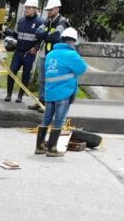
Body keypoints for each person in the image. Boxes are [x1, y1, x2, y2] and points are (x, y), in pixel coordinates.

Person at [35, 27, 86, 157]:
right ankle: (52, 149)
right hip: (64, 92)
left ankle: (39, 147)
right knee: (59, 120)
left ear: (61, 39)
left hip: (50, 92)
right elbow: (82, 69)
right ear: (73, 41)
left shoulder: (51, 54)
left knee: (46, 118)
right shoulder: (71, 55)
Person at [33, 0, 69, 111]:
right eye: (48, 10)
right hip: (44, 53)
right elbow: (38, 33)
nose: (49, 12)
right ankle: (41, 101)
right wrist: (47, 35)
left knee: (51, 80)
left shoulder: (62, 22)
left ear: (57, 9)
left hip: (55, 56)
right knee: (42, 80)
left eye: (51, 10)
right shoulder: (47, 21)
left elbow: (56, 36)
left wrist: (46, 35)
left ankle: (49, 106)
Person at [6, 0, 43, 103]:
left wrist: (35, 48)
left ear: (35, 9)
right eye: (26, 7)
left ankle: (20, 96)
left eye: (29, 7)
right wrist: (8, 35)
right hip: (18, 52)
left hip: (29, 54)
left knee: (26, 75)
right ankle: (9, 94)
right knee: (12, 72)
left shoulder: (40, 23)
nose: (26, 9)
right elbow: (15, 35)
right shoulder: (21, 21)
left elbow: (41, 39)